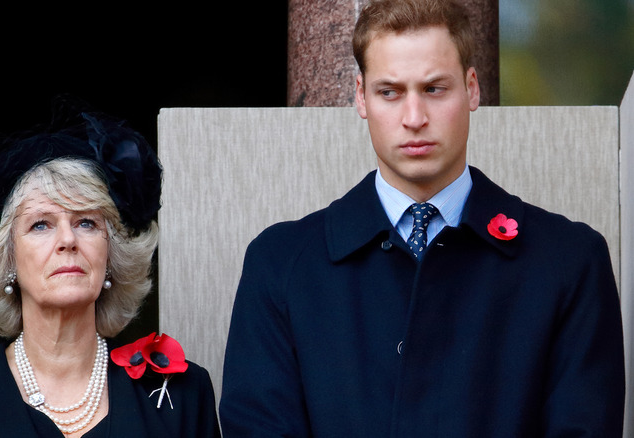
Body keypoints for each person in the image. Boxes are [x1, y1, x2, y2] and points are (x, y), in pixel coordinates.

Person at [219, 0, 625, 436]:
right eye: (389, 92)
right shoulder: (279, 265)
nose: (414, 119)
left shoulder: (569, 261)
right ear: (360, 96)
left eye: (434, 89)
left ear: (472, 89)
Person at [0, 96, 221, 437]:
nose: (68, 239)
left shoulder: (179, 394)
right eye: (40, 224)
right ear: (8, 258)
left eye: (86, 222)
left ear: (110, 256)